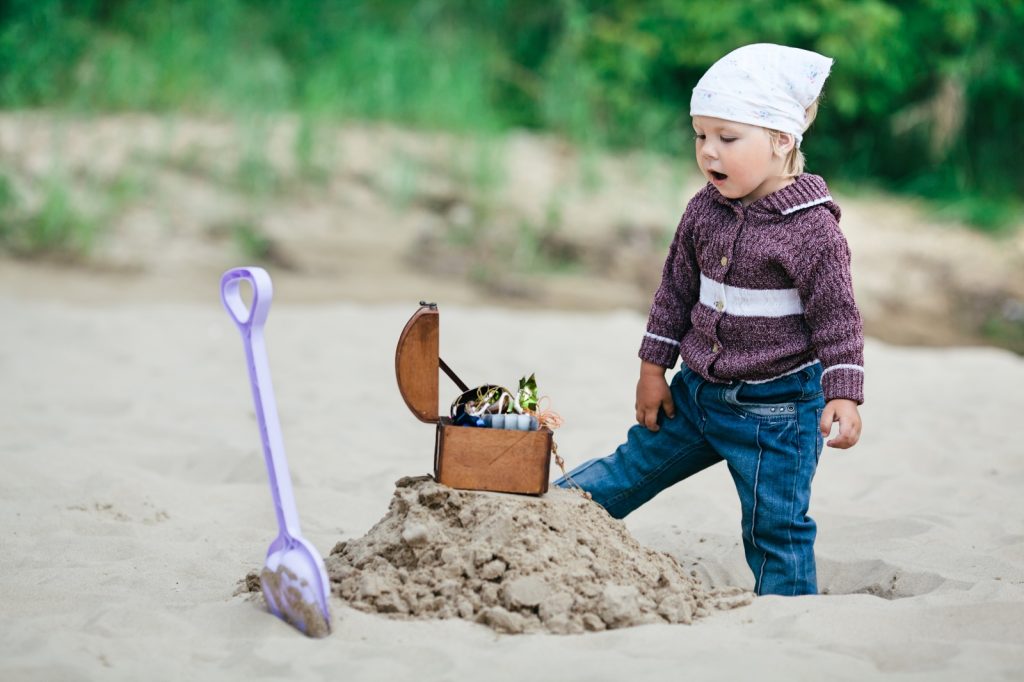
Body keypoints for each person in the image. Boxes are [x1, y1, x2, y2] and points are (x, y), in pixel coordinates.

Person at [555, 43, 864, 597]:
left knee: (775, 526)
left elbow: (837, 320)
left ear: (781, 140)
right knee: (625, 471)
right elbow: (674, 292)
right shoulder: (704, 210)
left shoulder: (813, 231)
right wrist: (654, 369)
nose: (708, 152)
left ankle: (789, 615)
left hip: (779, 414)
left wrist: (843, 392)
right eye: (700, 136)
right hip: (696, 397)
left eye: (727, 138)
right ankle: (539, 518)